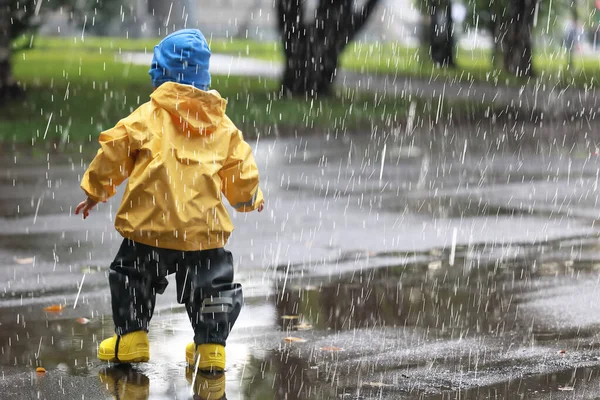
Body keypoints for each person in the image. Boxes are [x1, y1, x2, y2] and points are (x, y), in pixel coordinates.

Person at [75, 28, 264, 372]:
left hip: (150, 225)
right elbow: (240, 167)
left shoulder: (146, 116)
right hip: (202, 231)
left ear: (160, 76)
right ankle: (211, 347)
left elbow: (114, 150)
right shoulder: (221, 125)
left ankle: (131, 337)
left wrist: (95, 190)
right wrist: (248, 198)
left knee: (133, 275)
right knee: (211, 286)